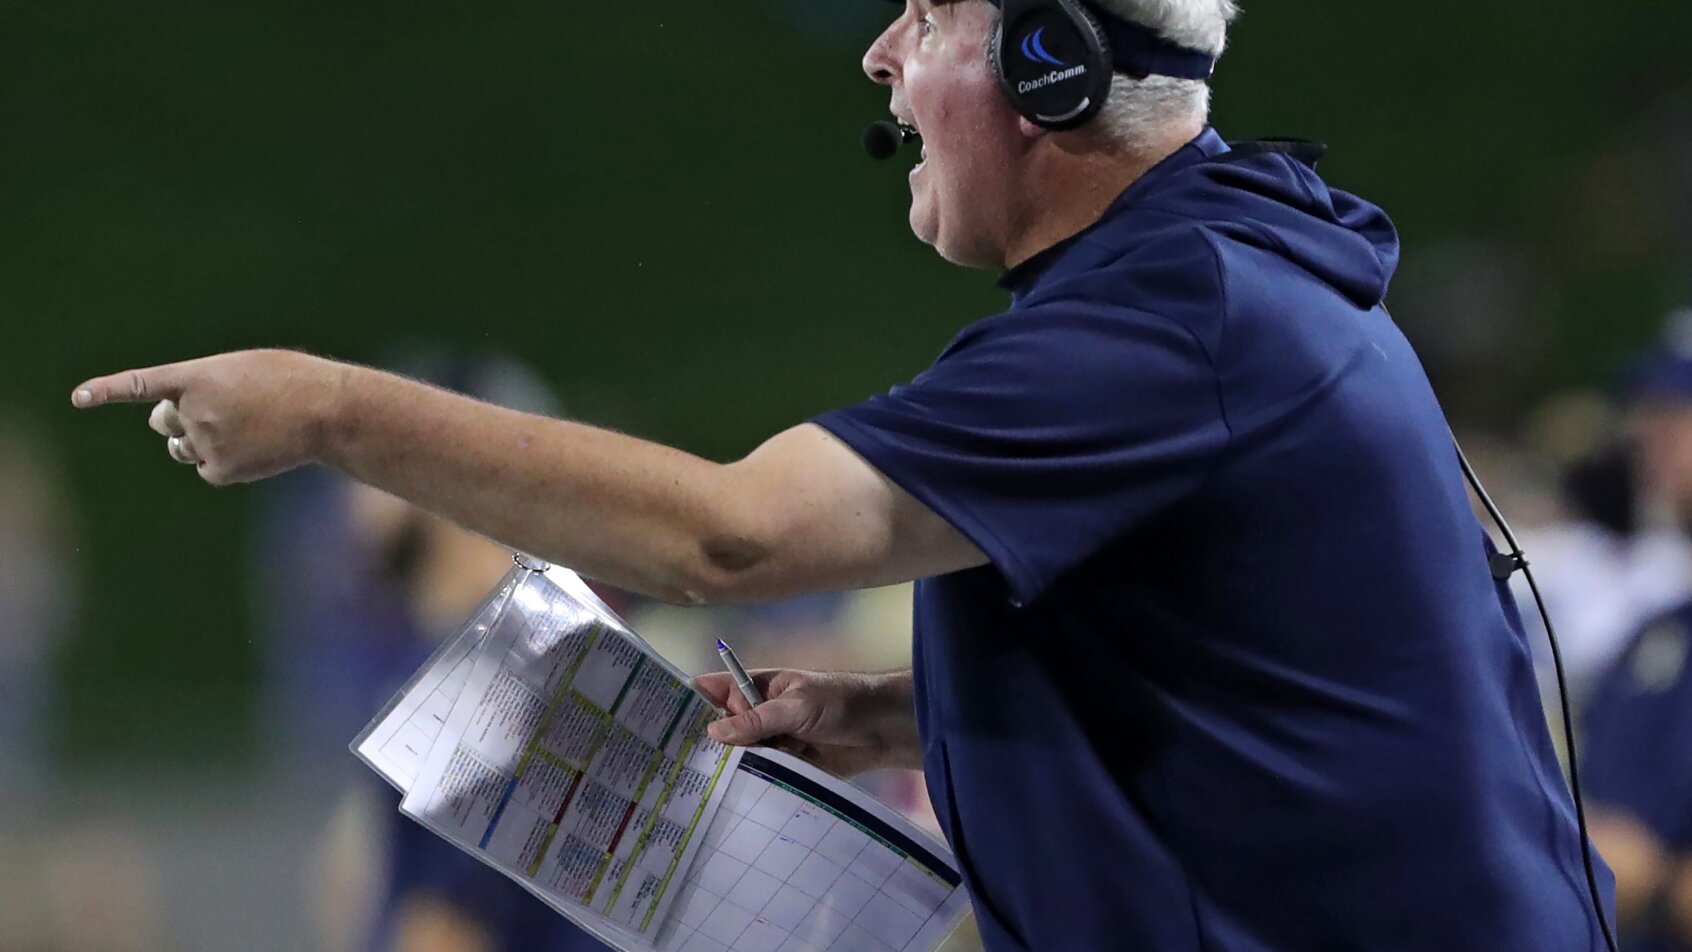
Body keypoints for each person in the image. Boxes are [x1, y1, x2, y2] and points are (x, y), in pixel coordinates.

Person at [72, 0, 1616, 948]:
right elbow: (1243, 675)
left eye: (926, 10)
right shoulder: (1211, 289)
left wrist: (335, 409)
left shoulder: (1177, 318)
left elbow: (729, 542)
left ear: (1049, 63)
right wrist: (901, 713)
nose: (879, 53)